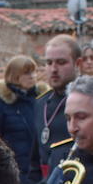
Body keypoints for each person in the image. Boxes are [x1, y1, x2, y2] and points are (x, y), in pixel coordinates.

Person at [0, 54, 42, 184]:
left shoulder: (41, 99)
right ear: (15, 76)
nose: (33, 76)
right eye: (27, 73)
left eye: (34, 72)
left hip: (37, 171)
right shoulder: (0, 102)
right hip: (15, 171)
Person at [34, 34, 80, 173]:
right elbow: (34, 160)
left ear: (77, 64)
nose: (53, 69)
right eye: (49, 63)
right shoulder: (40, 103)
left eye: (61, 62)